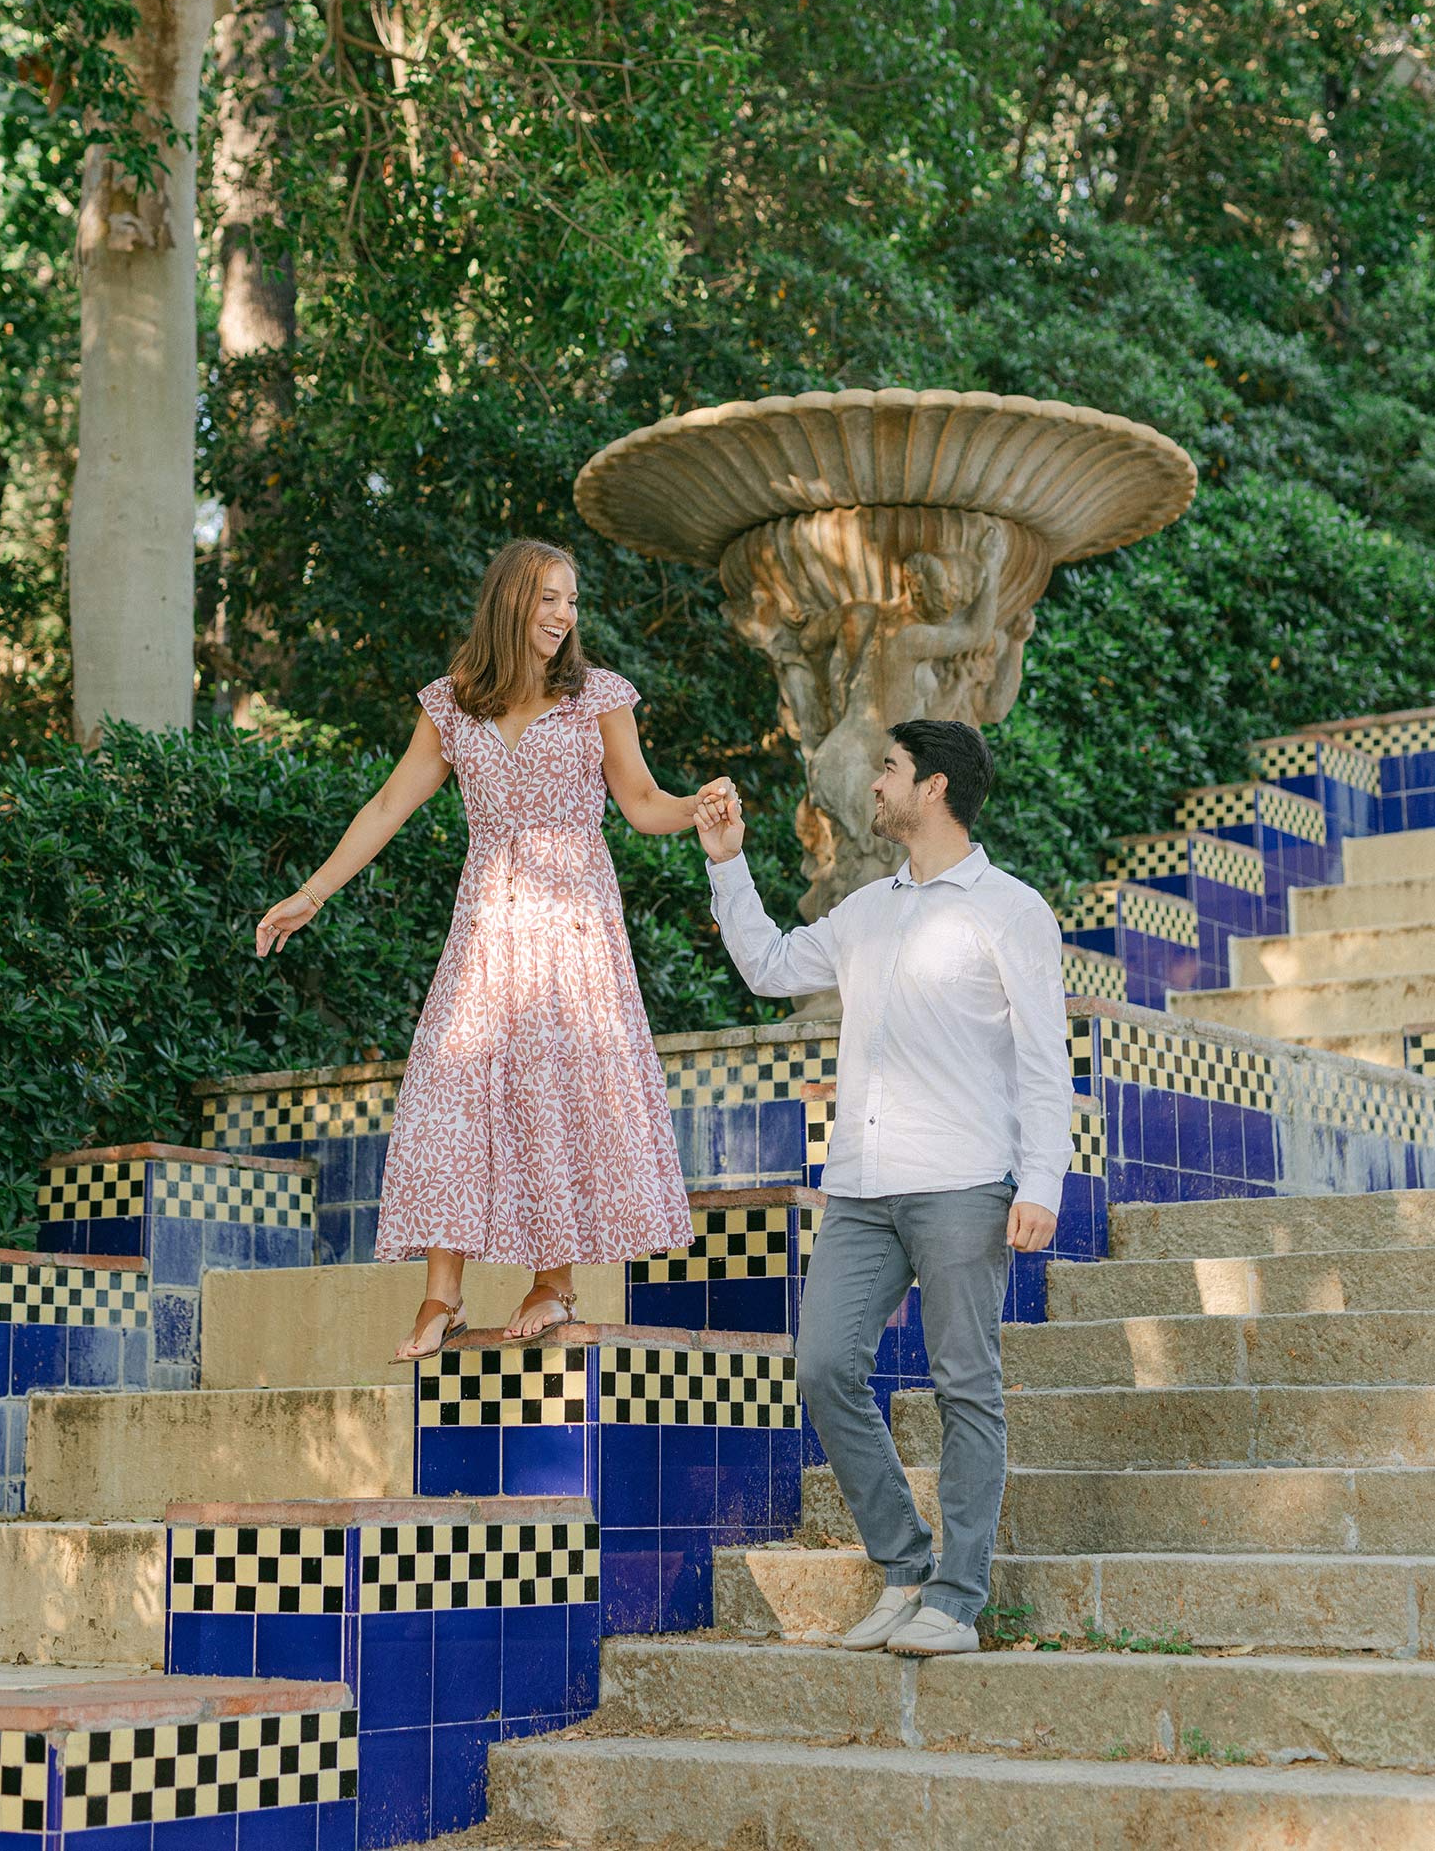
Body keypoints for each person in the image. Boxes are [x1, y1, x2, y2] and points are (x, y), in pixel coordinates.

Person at [256, 537, 713, 1360]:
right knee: (450, 1087)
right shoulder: (454, 704)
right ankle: (442, 1297)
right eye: (549, 599)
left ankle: (553, 1279)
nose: (564, 615)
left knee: (551, 1091)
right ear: (510, 601)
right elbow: (391, 801)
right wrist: (312, 893)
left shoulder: (598, 697)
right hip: (487, 922)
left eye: (572, 601)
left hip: (572, 923)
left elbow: (643, 804)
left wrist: (700, 807)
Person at [692, 719, 1074, 1657]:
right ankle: (903, 1567)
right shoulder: (867, 908)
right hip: (861, 1191)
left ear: (934, 787)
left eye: (890, 770)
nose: (875, 785)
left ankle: (957, 1598)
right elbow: (772, 967)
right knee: (824, 1368)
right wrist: (726, 864)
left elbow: (1043, 1062)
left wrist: (1043, 1183)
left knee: (964, 1389)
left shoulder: (1012, 909)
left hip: (965, 1186)